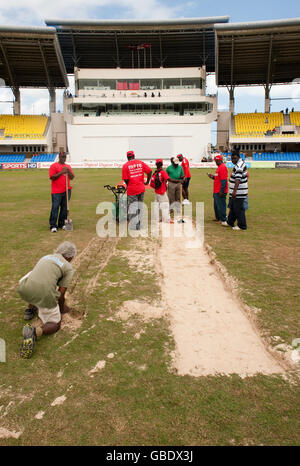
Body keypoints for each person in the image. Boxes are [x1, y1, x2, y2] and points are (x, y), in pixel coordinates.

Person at [18, 241, 77, 359]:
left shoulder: (46, 256)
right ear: (70, 257)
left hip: (23, 289)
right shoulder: (68, 267)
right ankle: (34, 333)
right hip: (43, 295)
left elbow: (38, 276)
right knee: (55, 324)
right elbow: (61, 294)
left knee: (32, 274)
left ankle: (30, 308)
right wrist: (61, 309)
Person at [122, 150, 152, 230]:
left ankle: (134, 225)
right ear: (134, 156)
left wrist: (129, 185)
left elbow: (125, 179)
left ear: (127, 157)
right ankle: (139, 224)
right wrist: (147, 181)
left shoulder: (125, 166)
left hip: (132, 190)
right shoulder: (140, 163)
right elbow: (149, 171)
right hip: (141, 188)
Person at [49, 151, 75, 233]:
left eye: (64, 157)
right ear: (59, 157)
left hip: (67, 190)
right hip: (56, 191)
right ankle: (53, 225)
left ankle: (61, 224)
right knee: (55, 208)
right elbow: (52, 177)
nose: (63, 158)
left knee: (64, 208)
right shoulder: (54, 166)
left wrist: (68, 171)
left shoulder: (68, 166)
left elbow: (72, 177)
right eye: (62, 157)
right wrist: (62, 172)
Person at [223, 150, 248, 230]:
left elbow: (238, 179)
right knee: (233, 207)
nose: (233, 160)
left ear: (238, 157)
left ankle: (242, 226)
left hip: (239, 192)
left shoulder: (239, 166)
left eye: (234, 158)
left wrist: (234, 191)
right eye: (232, 159)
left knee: (238, 209)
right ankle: (230, 222)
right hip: (237, 191)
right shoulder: (238, 164)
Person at [150, 159, 173, 224]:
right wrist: (178, 181)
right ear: (162, 164)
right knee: (165, 205)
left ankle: (157, 219)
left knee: (156, 205)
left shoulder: (156, 172)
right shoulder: (162, 172)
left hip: (156, 192)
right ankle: (167, 220)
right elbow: (169, 179)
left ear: (156, 164)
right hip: (162, 192)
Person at [207, 155, 228, 223]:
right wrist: (212, 176)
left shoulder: (223, 167)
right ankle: (218, 218)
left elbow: (224, 181)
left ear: (220, 160)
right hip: (216, 190)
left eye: (217, 161)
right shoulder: (219, 167)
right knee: (216, 206)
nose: (216, 162)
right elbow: (217, 178)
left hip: (220, 191)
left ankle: (224, 220)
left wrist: (221, 191)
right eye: (215, 161)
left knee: (221, 205)